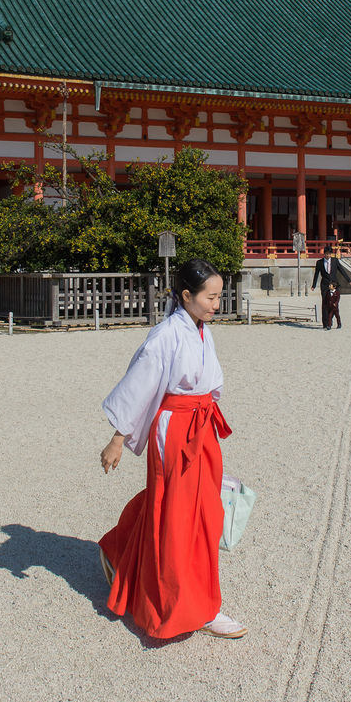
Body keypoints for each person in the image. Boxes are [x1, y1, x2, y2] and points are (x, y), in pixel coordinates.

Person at [98, 259, 246, 640]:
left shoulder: (202, 331)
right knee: (176, 516)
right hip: (176, 431)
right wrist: (118, 438)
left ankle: (123, 549)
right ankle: (182, 605)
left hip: (203, 426)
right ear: (186, 296)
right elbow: (140, 383)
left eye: (219, 296)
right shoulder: (166, 335)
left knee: (206, 512)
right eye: (210, 297)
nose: (216, 304)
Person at [310, 247, 348, 329]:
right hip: (324, 285)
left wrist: (349, 280)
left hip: (334, 284)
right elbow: (316, 274)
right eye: (327, 254)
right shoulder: (319, 262)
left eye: (329, 254)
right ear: (324, 254)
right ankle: (326, 323)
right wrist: (313, 285)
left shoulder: (335, 261)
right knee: (325, 304)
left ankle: (333, 321)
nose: (328, 255)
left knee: (334, 304)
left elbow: (341, 270)